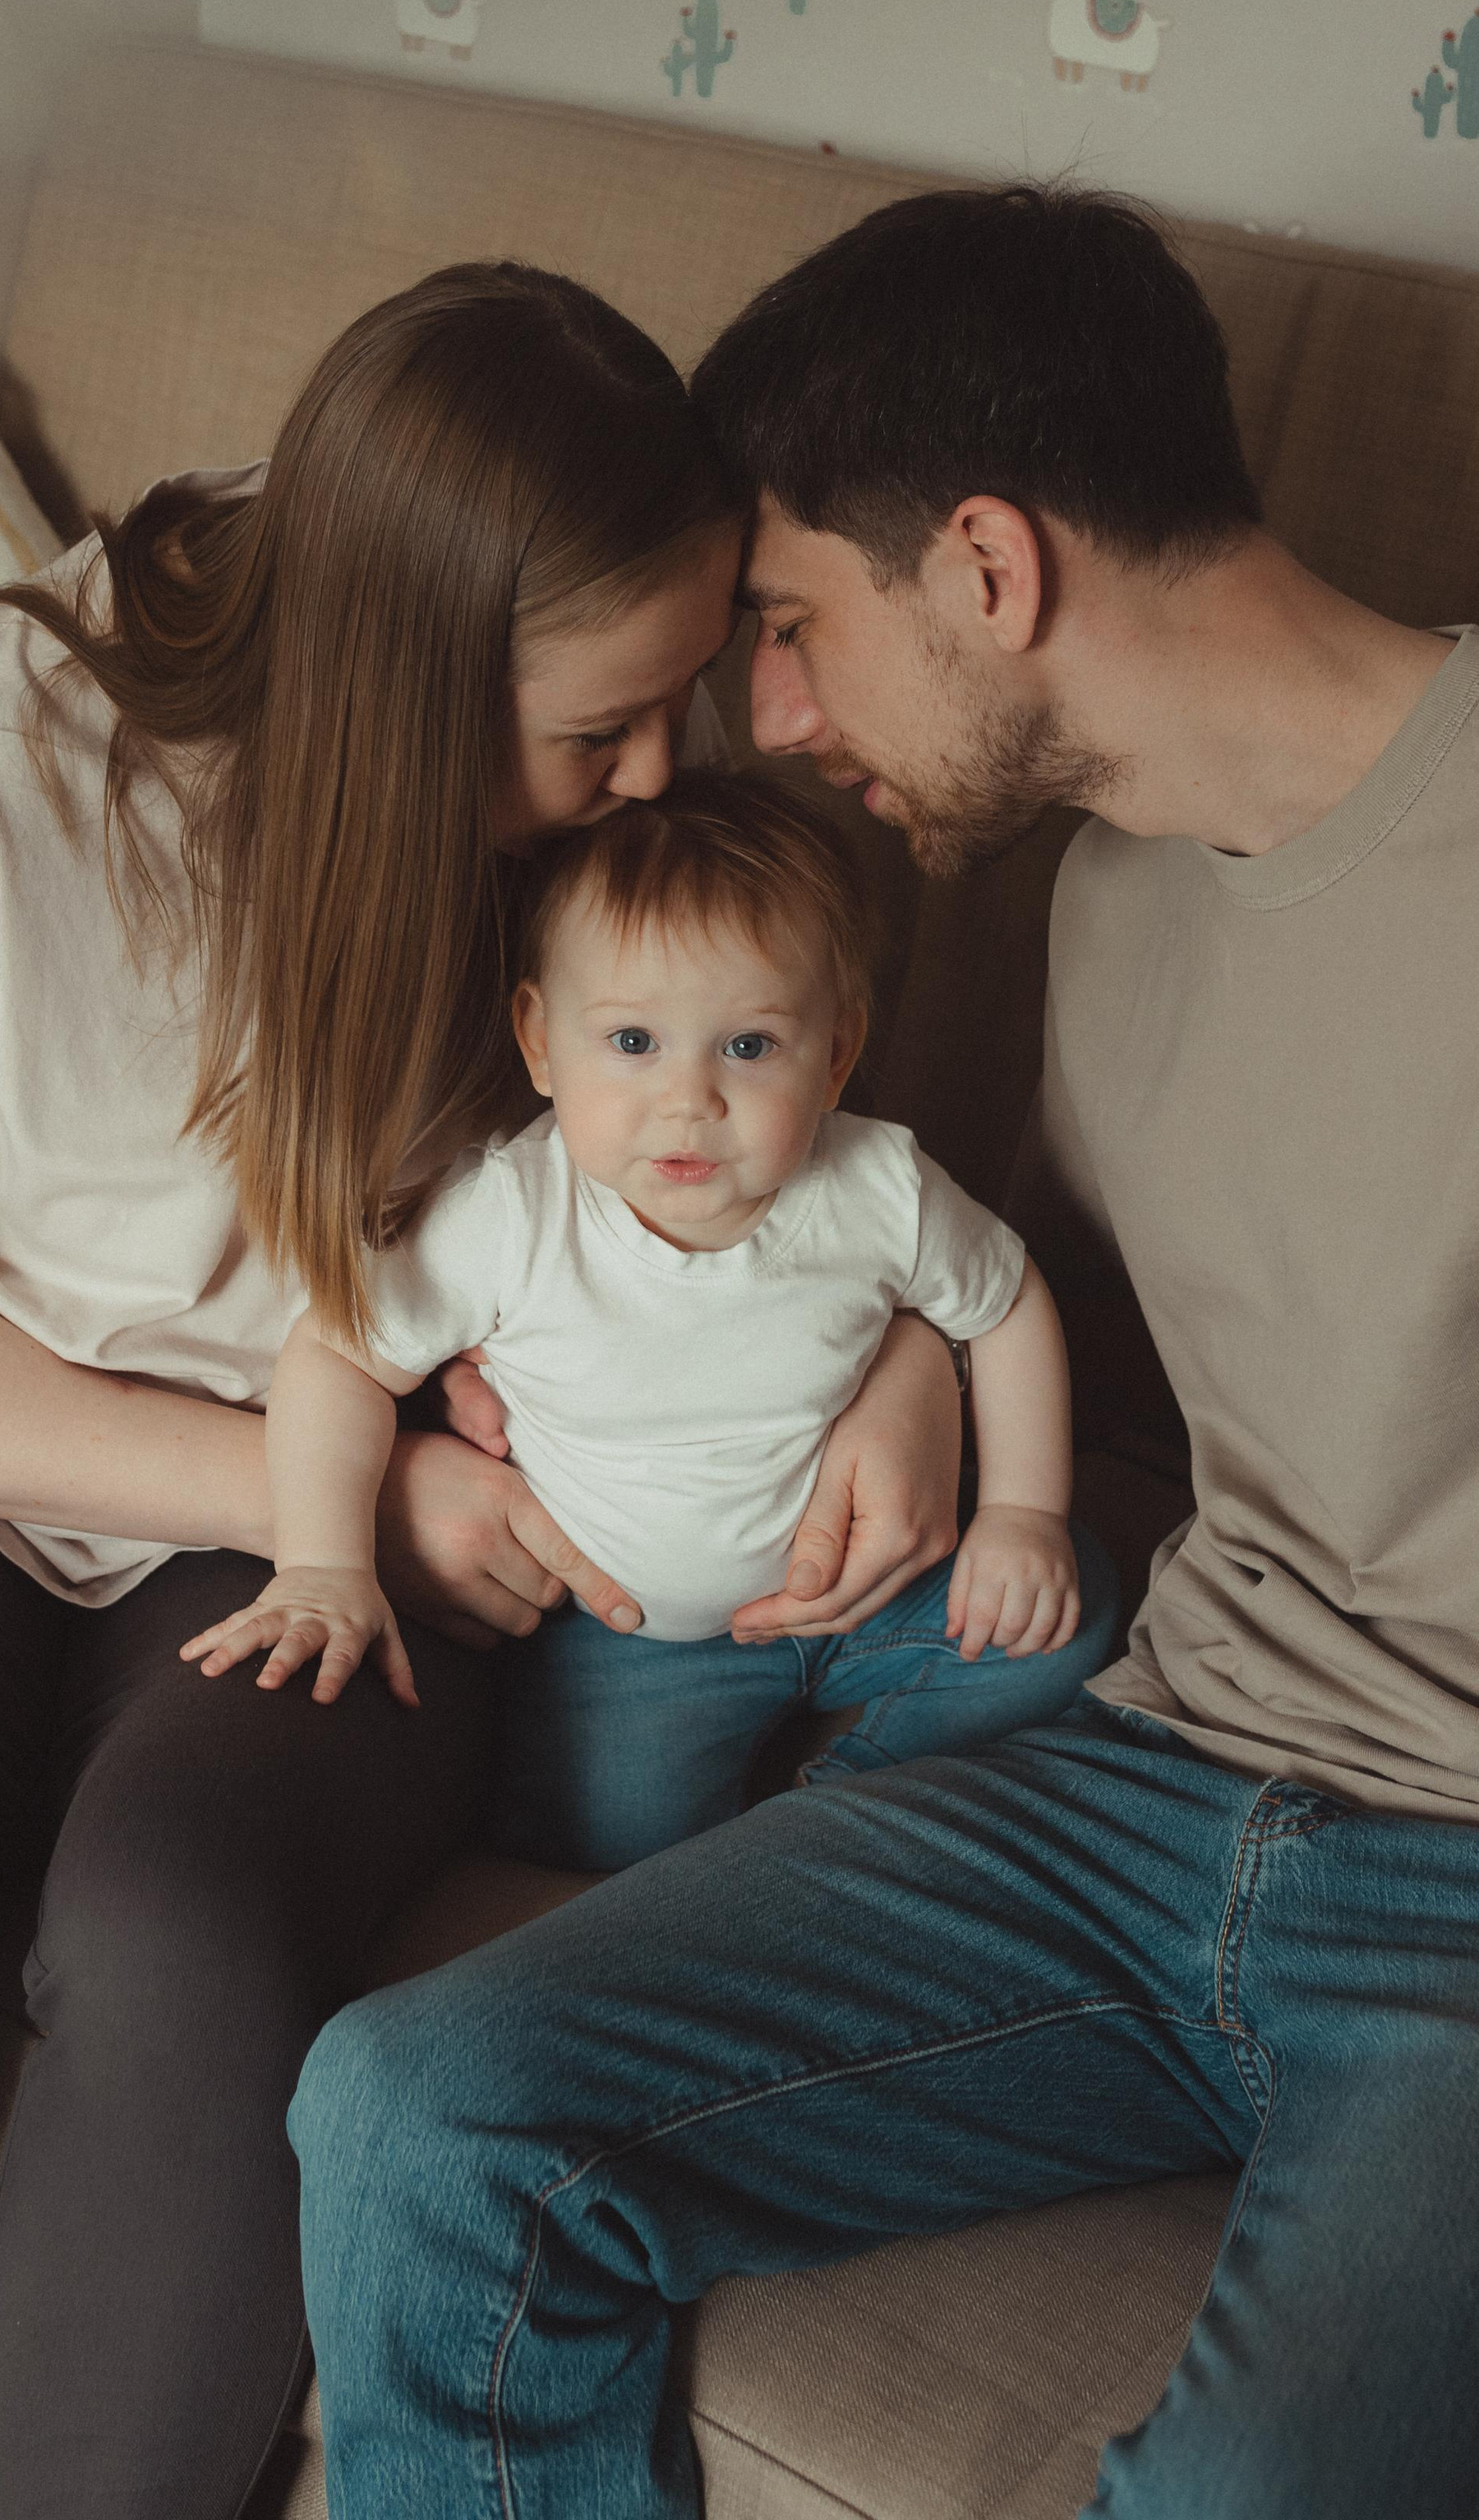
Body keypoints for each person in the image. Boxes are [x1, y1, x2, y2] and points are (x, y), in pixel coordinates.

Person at [0, 260, 961, 2520]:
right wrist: (345, 1495)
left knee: (182, 1936)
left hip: (351, 1499)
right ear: (403, 680)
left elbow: (783, 1119)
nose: (657, 783)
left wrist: (905, 1351)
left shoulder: (585, 827)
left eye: (684, 704)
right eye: (600, 728)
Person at [291, 187, 1479, 2519]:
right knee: (415, 2114)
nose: (768, 719)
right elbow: (993, 1277)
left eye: (791, 627)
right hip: (1158, 1777)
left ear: (988, 568)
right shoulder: (1109, 899)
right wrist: (906, 1384)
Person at [184, 770, 1115, 1872]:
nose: (690, 1100)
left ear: (837, 1054)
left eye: (750, 1047)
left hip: (869, 1598)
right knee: (608, 1833)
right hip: (637, 1643)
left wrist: (1020, 1513)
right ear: (539, 1042)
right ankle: (738, 1849)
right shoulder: (512, 1217)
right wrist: (325, 1565)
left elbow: (1005, 1303)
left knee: (1073, 1619)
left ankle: (837, 1811)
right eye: (633, 1043)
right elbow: (338, 1358)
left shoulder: (879, 1188)